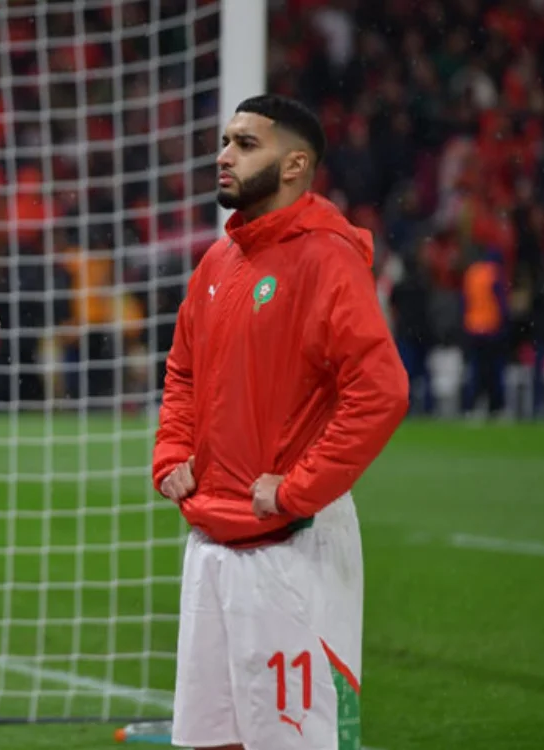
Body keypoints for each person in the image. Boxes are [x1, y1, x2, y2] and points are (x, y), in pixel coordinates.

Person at [152, 94, 409, 750]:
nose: (223, 156)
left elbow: (379, 392)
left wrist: (299, 489)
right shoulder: (218, 262)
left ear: (295, 164)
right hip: (210, 543)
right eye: (225, 141)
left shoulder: (325, 259)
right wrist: (173, 451)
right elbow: (183, 370)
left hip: (288, 548)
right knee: (210, 741)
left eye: (244, 144)